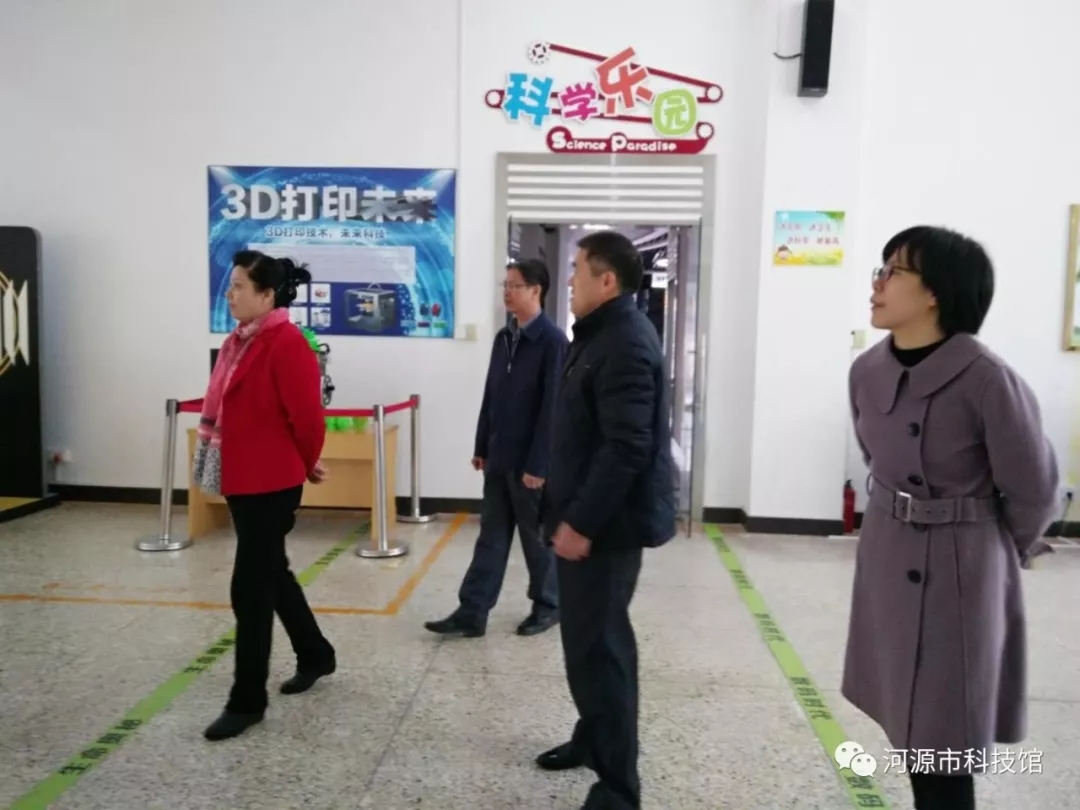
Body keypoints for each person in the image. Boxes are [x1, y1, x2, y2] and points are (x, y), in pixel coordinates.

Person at [844, 226, 1059, 810]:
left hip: (962, 569)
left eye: (894, 272)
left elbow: (1035, 490)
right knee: (908, 718)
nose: (877, 284)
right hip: (889, 555)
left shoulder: (988, 378)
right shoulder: (867, 370)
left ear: (935, 292)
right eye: (880, 269)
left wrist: (988, 548)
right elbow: (877, 457)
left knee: (944, 738)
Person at [535, 231, 676, 810]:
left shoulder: (623, 342)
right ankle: (592, 738)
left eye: (577, 270)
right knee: (585, 644)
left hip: (605, 529)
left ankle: (619, 788)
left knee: (602, 651)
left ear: (608, 280)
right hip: (585, 516)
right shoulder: (598, 334)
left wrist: (582, 523)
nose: (569, 280)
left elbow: (626, 447)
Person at [195, 250, 337, 742]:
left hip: (272, 482)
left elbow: (308, 417)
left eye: (239, 285)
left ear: (267, 294)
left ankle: (247, 700)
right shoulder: (238, 341)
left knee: (249, 587)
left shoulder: (287, 343)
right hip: (241, 475)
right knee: (272, 571)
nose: (230, 293)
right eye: (231, 284)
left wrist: (306, 460)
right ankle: (316, 653)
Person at [425, 259, 567, 638]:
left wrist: (540, 465)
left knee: (536, 539)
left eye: (514, 286)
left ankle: (549, 604)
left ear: (536, 290)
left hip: (529, 464)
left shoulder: (552, 342)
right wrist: (481, 444)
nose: (507, 292)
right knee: (491, 537)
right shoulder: (504, 338)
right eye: (504, 285)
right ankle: (472, 611)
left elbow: (553, 410)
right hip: (499, 457)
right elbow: (492, 396)